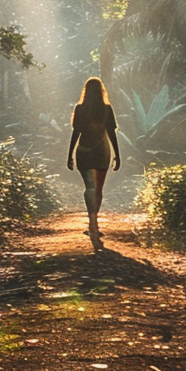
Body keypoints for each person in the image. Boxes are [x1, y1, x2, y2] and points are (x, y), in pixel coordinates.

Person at [67, 77, 120, 251]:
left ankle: (92, 222)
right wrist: (117, 156)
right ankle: (94, 223)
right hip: (102, 152)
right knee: (98, 189)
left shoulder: (80, 109)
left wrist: (70, 155)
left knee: (90, 187)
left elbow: (76, 133)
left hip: (83, 151)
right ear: (101, 91)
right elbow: (111, 133)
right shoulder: (106, 109)